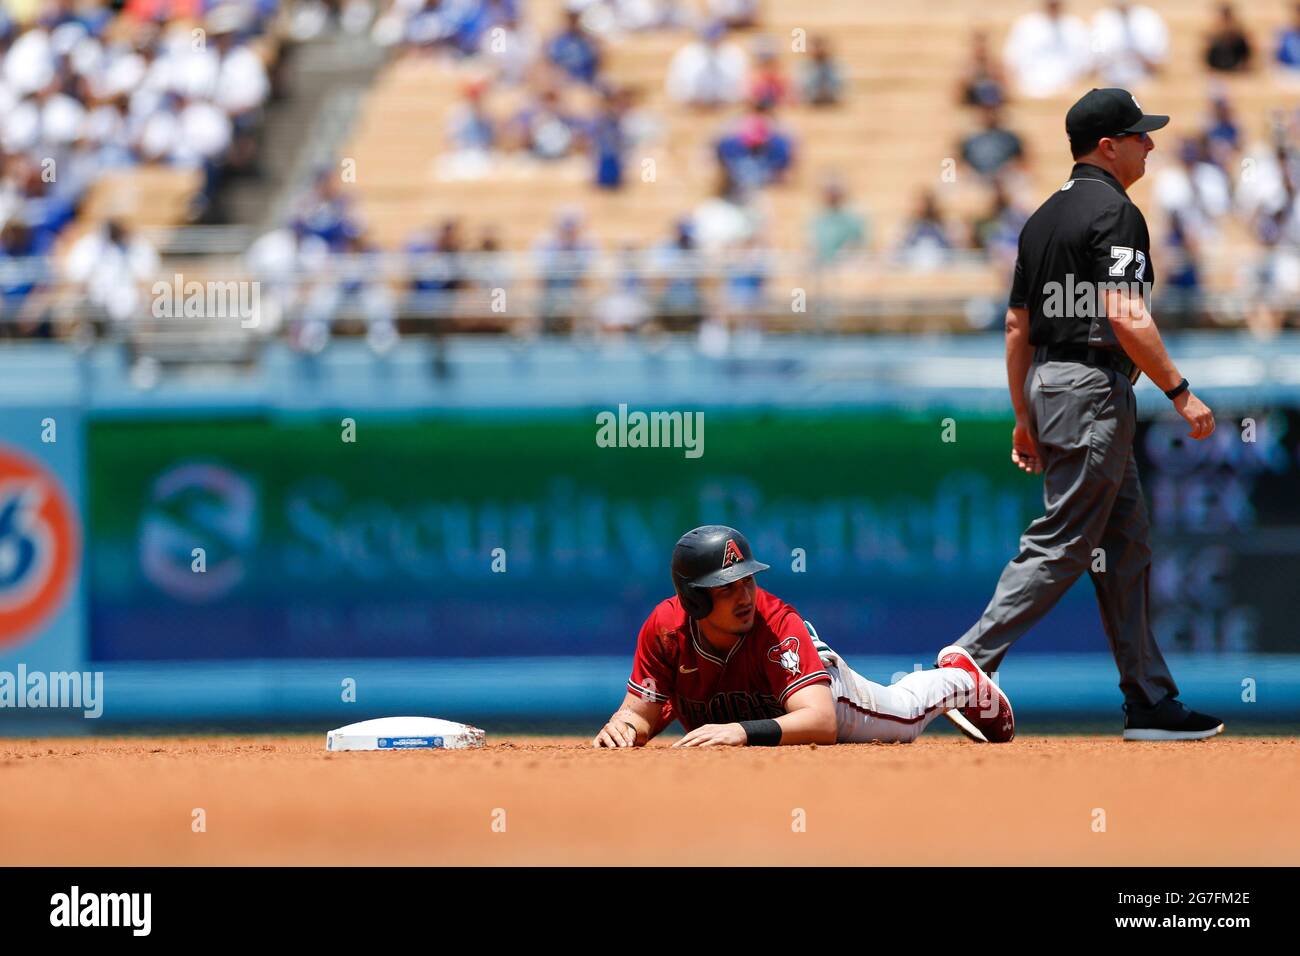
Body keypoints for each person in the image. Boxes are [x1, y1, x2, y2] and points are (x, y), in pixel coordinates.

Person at [949, 88, 1224, 742]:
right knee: (1067, 538)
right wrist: (1179, 391)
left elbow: (1018, 326)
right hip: (1094, 387)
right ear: (1108, 145)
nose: (1149, 144)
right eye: (1139, 135)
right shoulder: (1116, 212)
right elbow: (1126, 314)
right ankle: (970, 661)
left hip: (1052, 380)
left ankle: (1149, 700)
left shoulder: (1042, 218)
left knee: (1125, 547)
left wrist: (1023, 414)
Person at [592, 526, 1013, 748]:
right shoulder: (665, 630)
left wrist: (741, 731)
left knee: (904, 716)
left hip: (823, 684)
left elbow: (821, 721)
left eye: (748, 581)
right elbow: (641, 712)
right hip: (770, 712)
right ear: (695, 600)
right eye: (728, 587)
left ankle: (959, 679)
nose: (744, 596)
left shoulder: (775, 624)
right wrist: (624, 726)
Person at [1002, 0, 1093, 99]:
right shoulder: (1026, 25)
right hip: (1031, 90)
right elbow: (1011, 58)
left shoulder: (1074, 25)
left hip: (1068, 89)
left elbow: (1087, 60)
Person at [1090, 0, 1168, 89]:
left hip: (1142, 81)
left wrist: (1136, 56)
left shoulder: (1150, 19)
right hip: (1109, 81)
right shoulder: (1102, 19)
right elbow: (1094, 63)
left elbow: (1159, 64)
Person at [1204, 3, 1252, 73]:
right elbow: (1209, 61)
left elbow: (1245, 57)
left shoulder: (1239, 38)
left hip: (1236, 72)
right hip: (1217, 71)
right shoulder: (1214, 38)